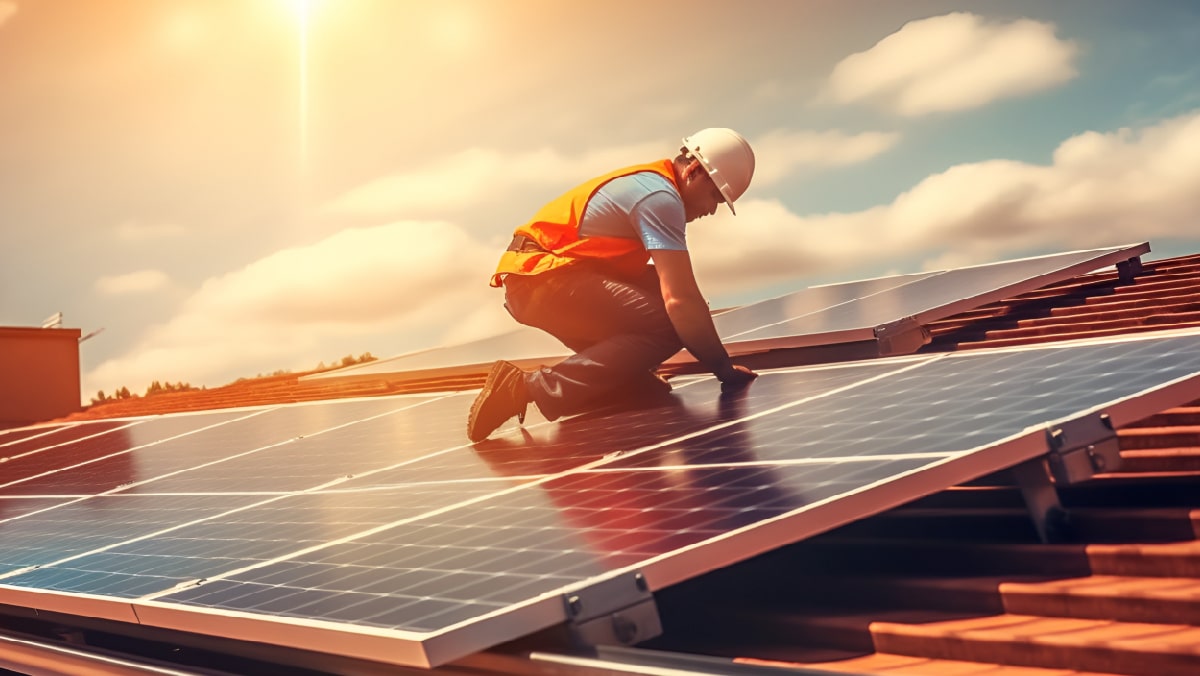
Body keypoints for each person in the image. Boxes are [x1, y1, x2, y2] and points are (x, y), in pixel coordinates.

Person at [466, 127, 759, 443]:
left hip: (541, 281)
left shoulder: (652, 183)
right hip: (542, 281)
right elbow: (681, 302)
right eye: (715, 195)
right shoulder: (660, 198)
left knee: (662, 294)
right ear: (694, 170)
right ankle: (525, 388)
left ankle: (623, 381)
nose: (712, 209)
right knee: (675, 320)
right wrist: (724, 371)